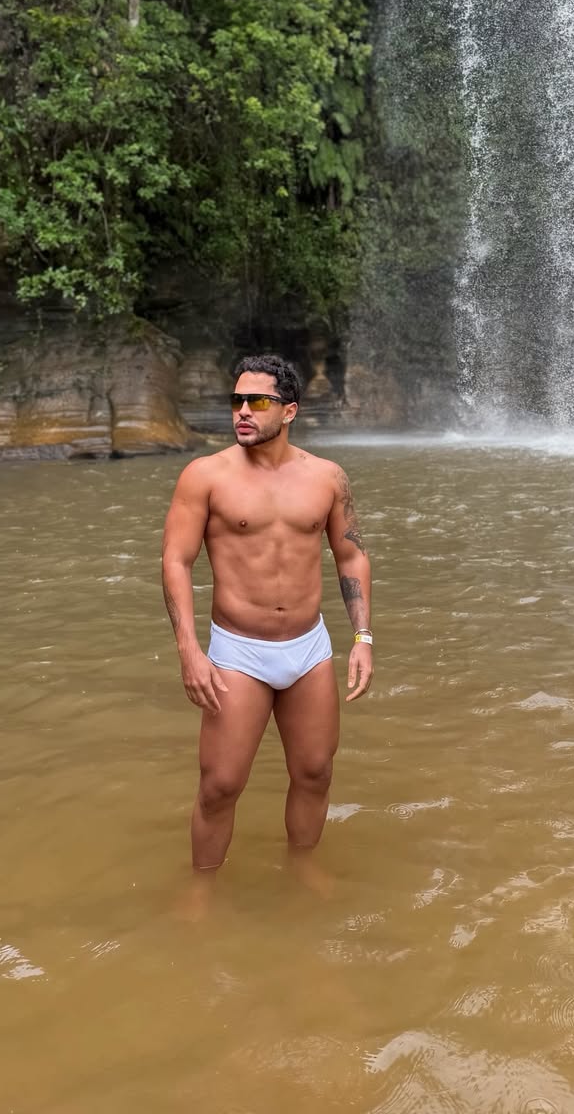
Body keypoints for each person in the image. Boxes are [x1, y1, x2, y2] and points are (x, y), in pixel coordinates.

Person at [161, 353, 374, 873]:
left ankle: (302, 872)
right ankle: (202, 889)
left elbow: (351, 556)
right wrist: (189, 652)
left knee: (315, 773)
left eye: (257, 402)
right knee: (220, 786)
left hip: (308, 647)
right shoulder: (205, 476)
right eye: (237, 400)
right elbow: (176, 561)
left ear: (290, 410)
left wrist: (363, 637)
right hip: (238, 651)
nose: (242, 411)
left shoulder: (327, 478)